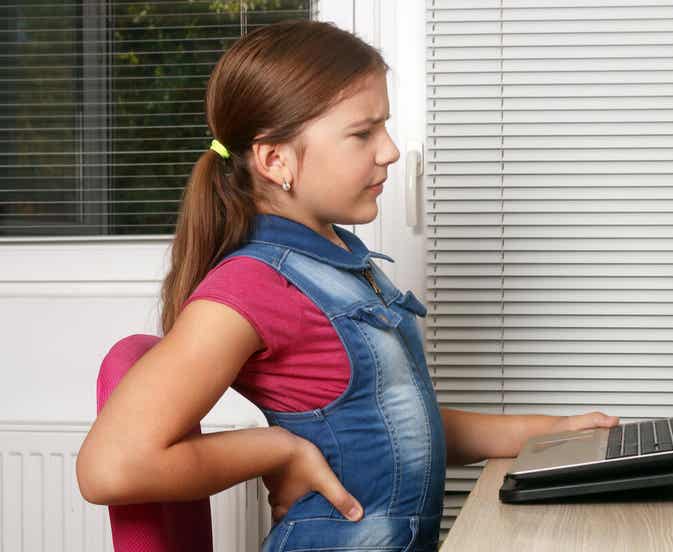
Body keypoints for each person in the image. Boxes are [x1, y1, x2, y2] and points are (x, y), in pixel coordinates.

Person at [76, 20, 618, 552]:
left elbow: (400, 424)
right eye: (363, 133)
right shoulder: (252, 285)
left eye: (384, 127)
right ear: (274, 159)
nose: (390, 151)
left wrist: (558, 430)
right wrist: (277, 450)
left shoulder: (342, 260)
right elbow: (110, 468)